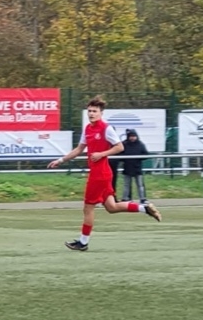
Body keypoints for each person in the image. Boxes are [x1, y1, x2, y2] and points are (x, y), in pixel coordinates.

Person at [47, 96, 162, 251]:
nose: (91, 114)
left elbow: (120, 147)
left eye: (94, 111)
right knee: (111, 207)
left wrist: (102, 154)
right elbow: (79, 149)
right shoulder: (88, 129)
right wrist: (61, 160)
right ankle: (144, 208)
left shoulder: (106, 128)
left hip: (99, 175)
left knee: (88, 208)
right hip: (100, 173)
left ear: (101, 113)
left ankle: (83, 242)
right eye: (89, 111)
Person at [119, 128, 149, 203]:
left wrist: (138, 158)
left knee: (140, 184)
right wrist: (125, 159)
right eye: (131, 136)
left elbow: (146, 154)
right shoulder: (124, 144)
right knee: (126, 185)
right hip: (127, 167)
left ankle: (143, 198)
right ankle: (125, 198)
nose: (132, 138)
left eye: (134, 136)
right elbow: (120, 154)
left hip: (137, 168)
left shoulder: (140, 144)